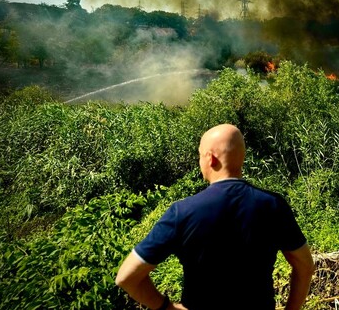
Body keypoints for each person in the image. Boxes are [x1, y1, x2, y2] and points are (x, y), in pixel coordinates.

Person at [116, 124, 315, 310]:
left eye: (200, 155)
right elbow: (305, 266)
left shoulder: (182, 212)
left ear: (211, 159)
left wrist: (166, 307)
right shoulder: (273, 205)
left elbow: (127, 277)